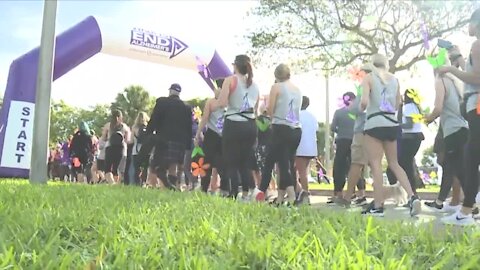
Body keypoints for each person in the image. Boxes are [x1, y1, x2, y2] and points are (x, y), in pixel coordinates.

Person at [360, 54, 421, 217]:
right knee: (394, 163)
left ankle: (378, 205)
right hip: (391, 124)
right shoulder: (395, 80)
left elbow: (364, 102)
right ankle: (413, 196)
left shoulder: (369, 78)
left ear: (372, 64)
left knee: (376, 164)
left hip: (374, 122)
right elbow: (396, 104)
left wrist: (361, 108)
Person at [437, 8, 480, 225]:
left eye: (470, 23)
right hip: (474, 106)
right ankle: (470, 208)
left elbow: (475, 76)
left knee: (471, 158)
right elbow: (469, 68)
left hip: (477, 106)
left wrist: (449, 69)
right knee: (471, 156)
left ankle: (466, 211)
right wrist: (456, 56)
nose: (468, 28)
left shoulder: (477, 44)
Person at [211, 54, 259, 199]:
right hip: (250, 124)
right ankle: (246, 192)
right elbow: (256, 109)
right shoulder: (254, 85)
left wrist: (218, 97)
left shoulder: (230, 80)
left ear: (235, 66)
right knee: (245, 160)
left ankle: (233, 192)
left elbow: (223, 103)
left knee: (231, 159)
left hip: (234, 122)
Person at [253, 64, 302, 206]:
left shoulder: (277, 87)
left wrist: (266, 114)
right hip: (296, 129)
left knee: (282, 163)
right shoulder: (297, 89)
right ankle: (280, 197)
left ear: (276, 76)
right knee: (284, 161)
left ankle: (292, 195)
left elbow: (270, 108)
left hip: (281, 127)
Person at [147, 83, 192, 190]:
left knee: (155, 166)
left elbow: (154, 119)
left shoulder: (162, 102)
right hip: (180, 141)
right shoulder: (186, 107)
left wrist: (148, 133)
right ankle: (168, 188)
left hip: (163, 139)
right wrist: (188, 145)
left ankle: (159, 186)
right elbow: (189, 127)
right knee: (173, 166)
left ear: (170, 91)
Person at [194, 79, 228, 193]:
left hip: (217, 135)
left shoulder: (213, 102)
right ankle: (220, 189)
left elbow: (204, 118)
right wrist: (198, 133)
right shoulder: (226, 102)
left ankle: (208, 188)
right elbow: (204, 118)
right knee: (218, 163)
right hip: (218, 135)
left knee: (212, 162)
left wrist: (198, 134)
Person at [397, 89, 425, 196]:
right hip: (414, 138)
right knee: (406, 164)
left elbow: (409, 125)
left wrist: (397, 126)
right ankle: (411, 193)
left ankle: (412, 193)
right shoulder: (415, 107)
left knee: (404, 165)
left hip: (409, 138)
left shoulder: (408, 107)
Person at [329, 92, 356, 203]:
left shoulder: (338, 112)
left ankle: (338, 192)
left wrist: (341, 130)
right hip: (355, 141)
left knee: (339, 166)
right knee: (355, 166)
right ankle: (355, 192)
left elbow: (333, 127)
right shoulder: (358, 113)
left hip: (342, 141)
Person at [295, 96, 318, 205]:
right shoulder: (312, 117)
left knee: (301, 172)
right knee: (303, 170)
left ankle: (305, 194)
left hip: (300, 147)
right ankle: (300, 191)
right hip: (311, 147)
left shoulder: (297, 115)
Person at [102, 110, 131, 184]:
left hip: (110, 147)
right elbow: (128, 140)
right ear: (121, 117)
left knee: (107, 169)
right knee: (117, 169)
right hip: (121, 148)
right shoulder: (125, 127)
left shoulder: (108, 125)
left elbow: (103, 138)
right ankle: (116, 184)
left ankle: (112, 183)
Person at [131, 112, 150, 186]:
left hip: (136, 150)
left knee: (137, 168)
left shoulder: (134, 128)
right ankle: (144, 182)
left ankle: (137, 183)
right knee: (146, 167)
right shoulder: (149, 127)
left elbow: (131, 140)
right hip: (147, 150)